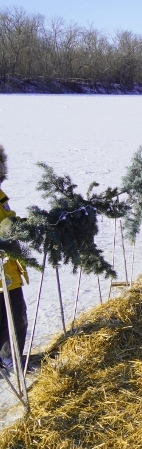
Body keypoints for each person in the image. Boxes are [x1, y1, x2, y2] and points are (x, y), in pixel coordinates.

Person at [0, 146, 28, 371]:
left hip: (9, 271)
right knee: (7, 319)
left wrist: (23, 224)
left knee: (16, 318)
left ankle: (12, 358)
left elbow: (8, 221)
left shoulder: (0, 197)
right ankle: (9, 361)